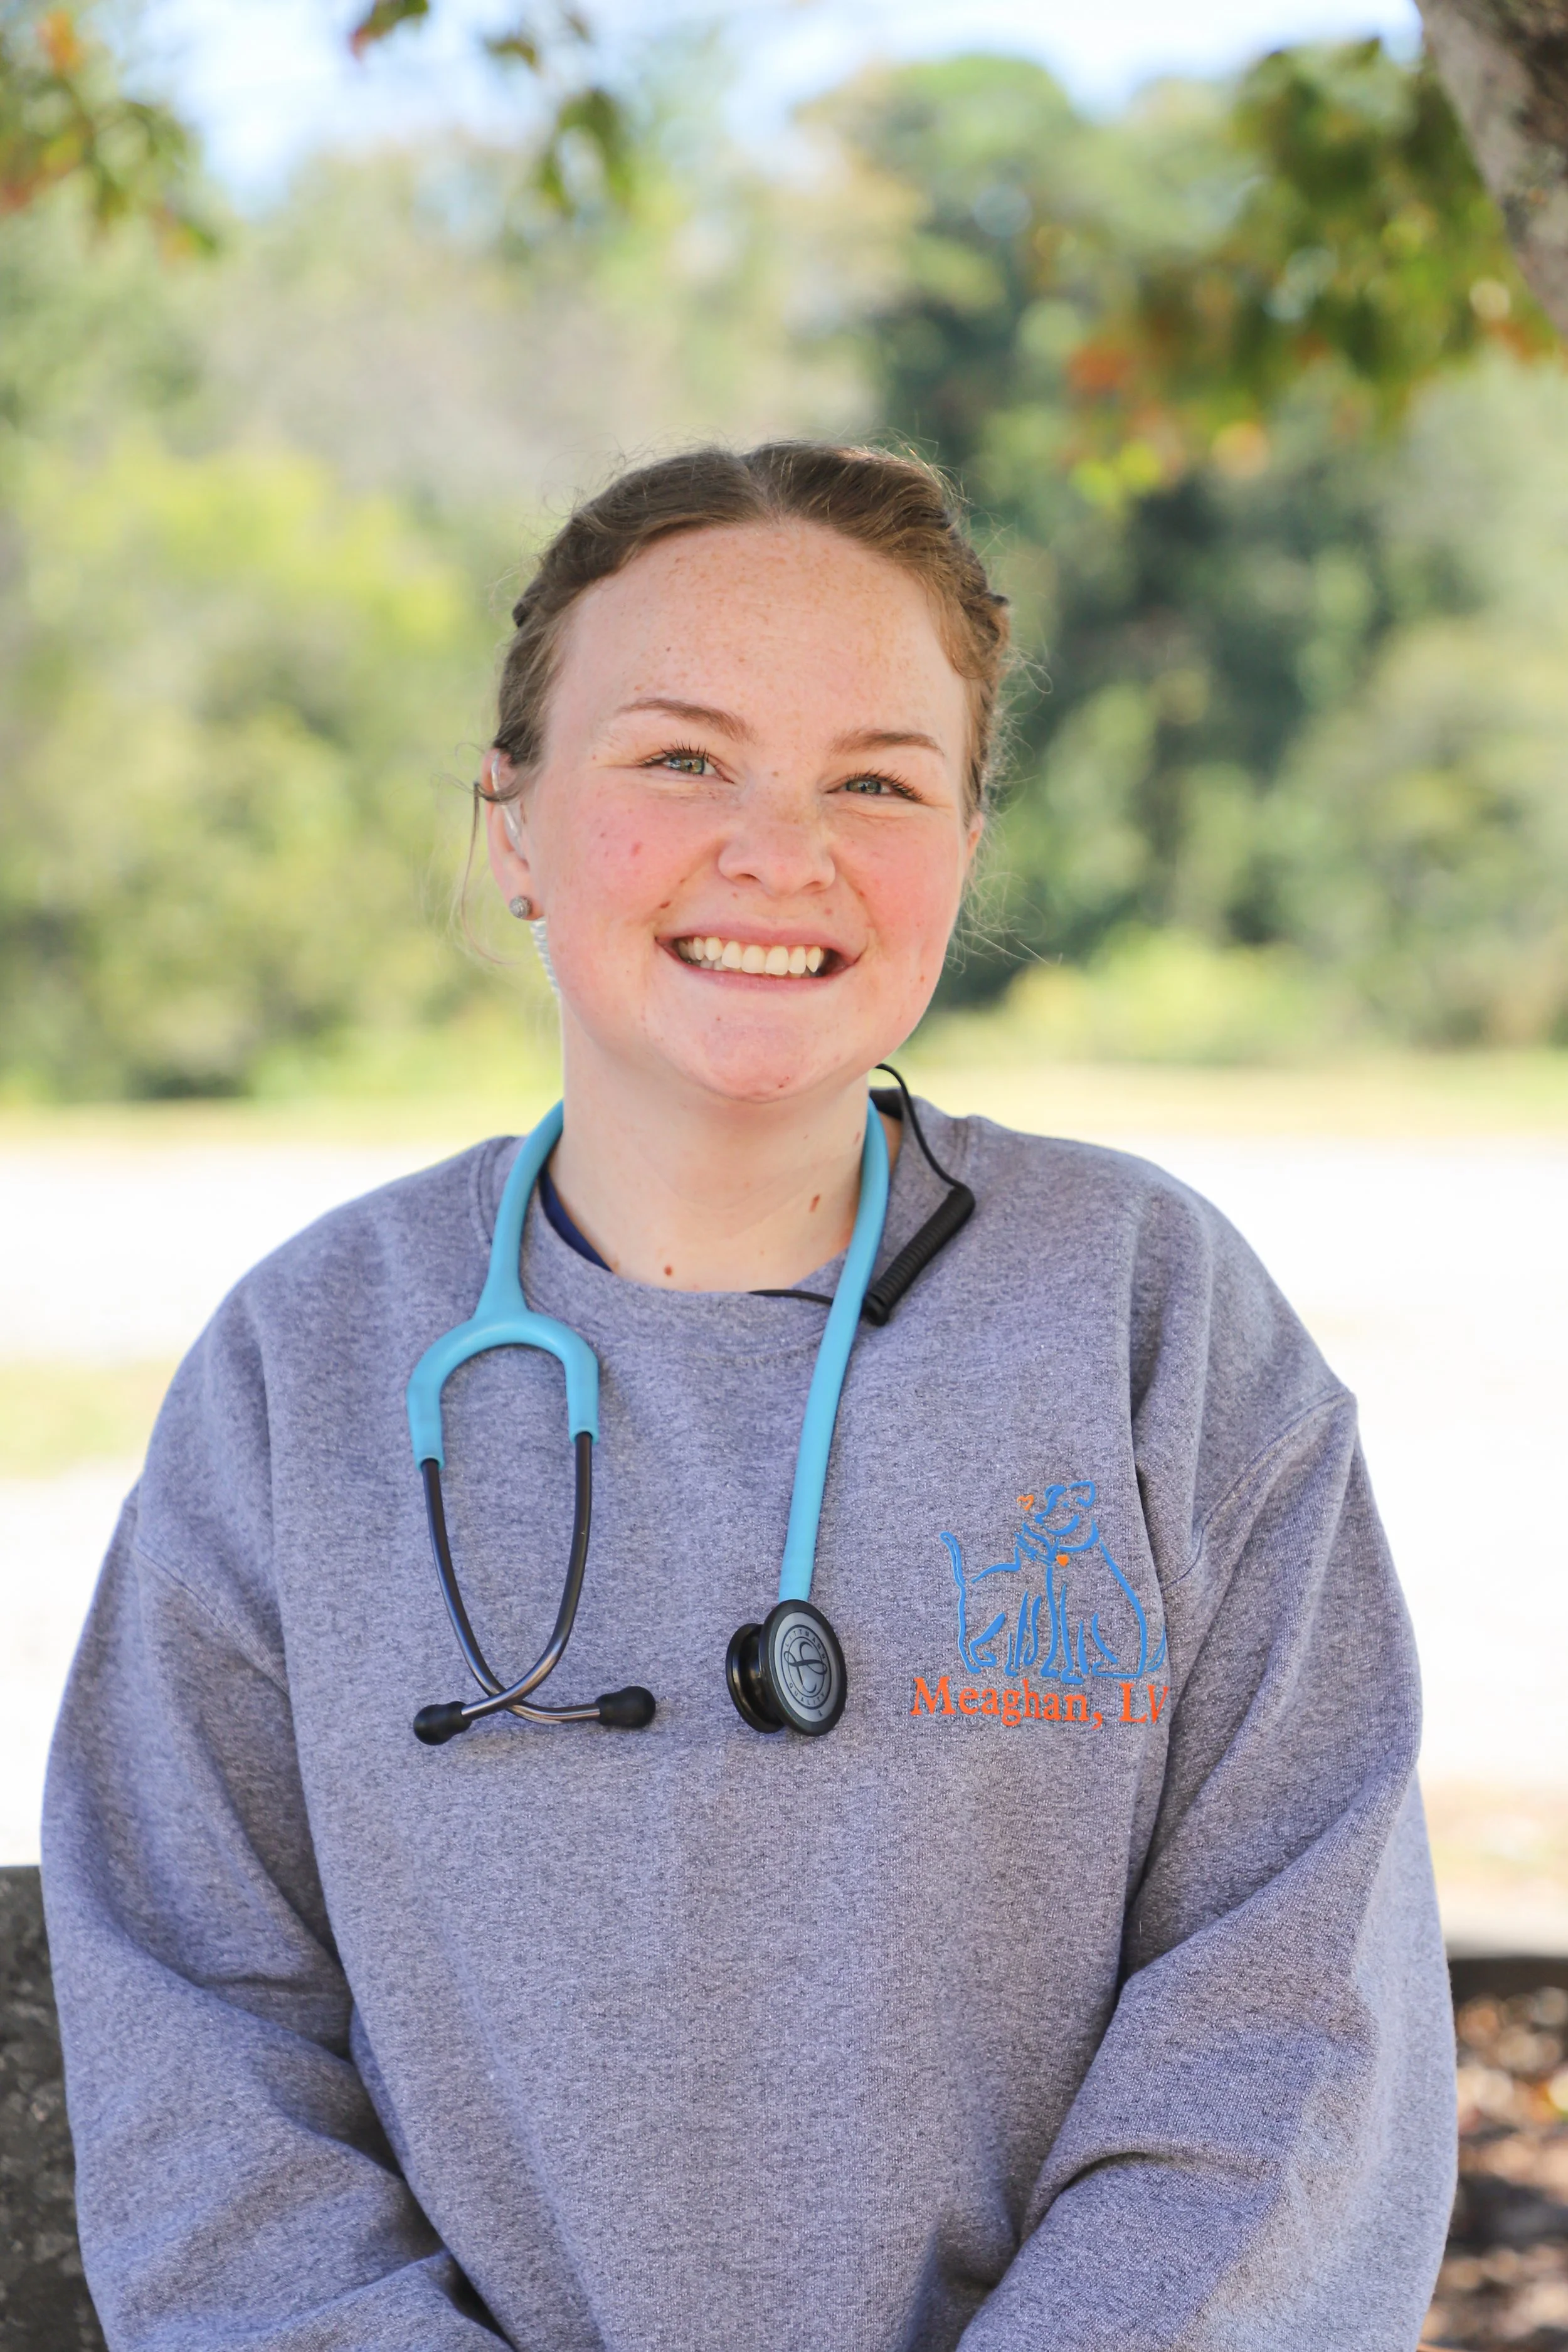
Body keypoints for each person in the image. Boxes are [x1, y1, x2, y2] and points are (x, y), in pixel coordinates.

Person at [43, 443, 1456, 2351]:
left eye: (876, 779)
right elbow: (192, 2036)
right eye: (680, 757)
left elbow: (1293, 2014)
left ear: (965, 839)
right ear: (515, 820)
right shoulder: (302, 1367)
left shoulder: (1151, 1322)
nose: (779, 850)